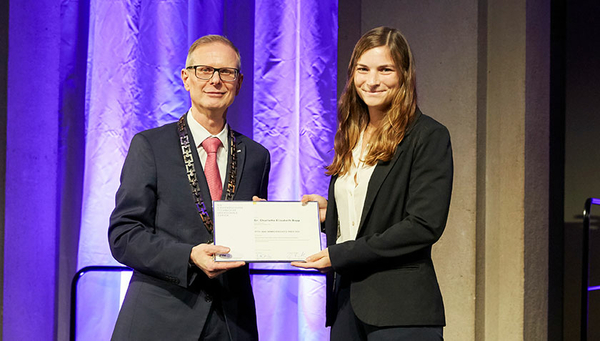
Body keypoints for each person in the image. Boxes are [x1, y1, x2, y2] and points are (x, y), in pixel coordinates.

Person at [292, 26, 453, 340]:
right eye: (363, 69)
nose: (372, 80)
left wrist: (340, 255)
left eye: (385, 70)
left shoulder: (428, 136)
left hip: (401, 310)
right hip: (346, 305)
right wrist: (326, 216)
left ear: (404, 74)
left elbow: (423, 225)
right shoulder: (352, 136)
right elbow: (366, 219)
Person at [108, 35, 270, 340]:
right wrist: (188, 256)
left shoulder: (256, 156)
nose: (216, 80)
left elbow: (250, 243)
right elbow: (124, 235)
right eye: (204, 70)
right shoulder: (151, 146)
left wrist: (266, 228)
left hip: (232, 325)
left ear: (239, 81)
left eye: (226, 72)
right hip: (161, 320)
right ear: (186, 78)